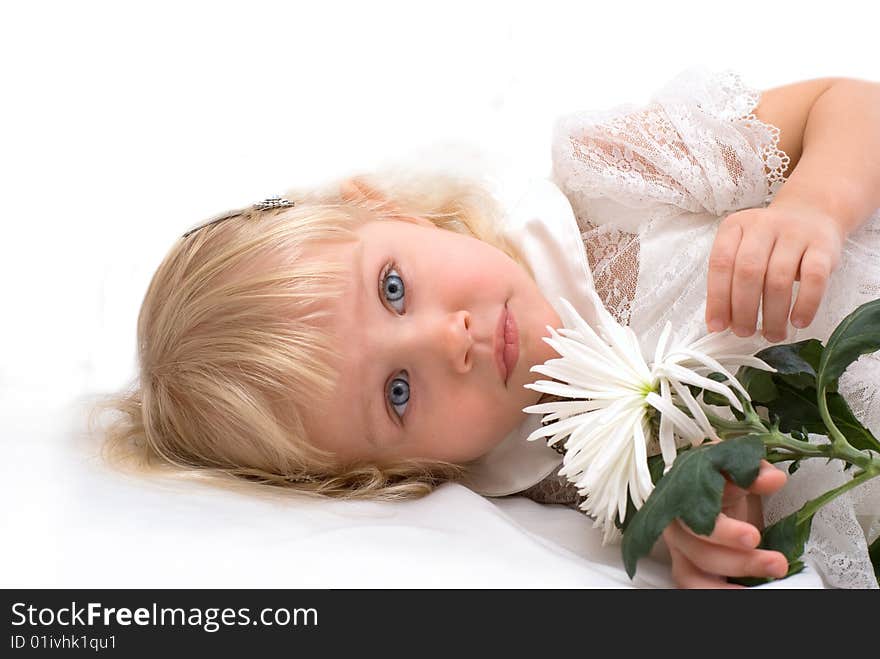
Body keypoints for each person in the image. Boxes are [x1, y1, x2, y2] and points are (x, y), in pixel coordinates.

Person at [102, 68, 880, 588]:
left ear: (387, 211)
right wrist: (715, 520)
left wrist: (809, 204)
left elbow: (850, 105)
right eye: (399, 392)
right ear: (387, 474)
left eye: (395, 287)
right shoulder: (544, 477)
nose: (451, 340)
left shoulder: (601, 183)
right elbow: (741, 488)